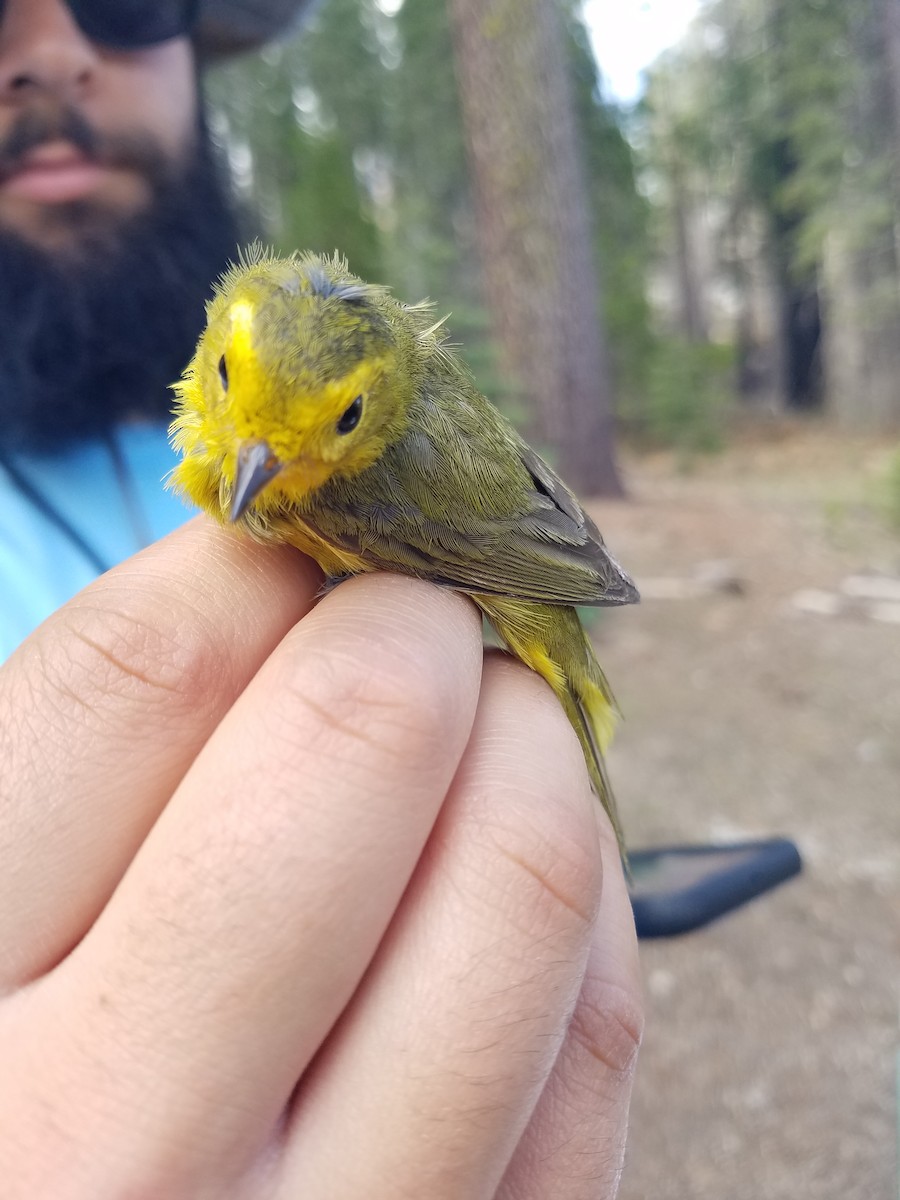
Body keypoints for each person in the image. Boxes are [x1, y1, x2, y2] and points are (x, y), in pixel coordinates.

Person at [0, 3, 643, 1196]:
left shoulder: (362, 477)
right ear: (220, 339)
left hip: (508, 589)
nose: (255, 469)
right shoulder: (261, 404)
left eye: (125, 1)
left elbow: (522, 545)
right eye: (235, 392)